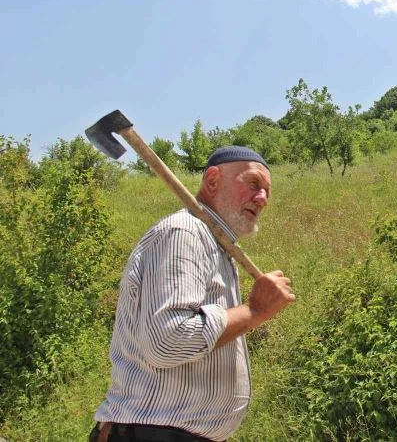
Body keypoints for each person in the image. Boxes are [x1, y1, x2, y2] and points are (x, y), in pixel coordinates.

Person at [90, 146, 295, 442]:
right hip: (151, 435)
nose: (262, 198)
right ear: (212, 181)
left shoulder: (216, 247)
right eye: (253, 184)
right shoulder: (184, 233)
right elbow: (167, 341)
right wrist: (253, 310)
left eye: (266, 191)